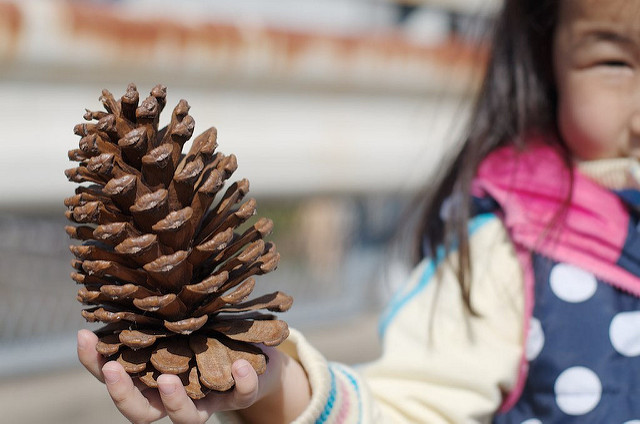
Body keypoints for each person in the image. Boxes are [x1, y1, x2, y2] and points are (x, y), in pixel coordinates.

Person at [77, 0, 640, 422]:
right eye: (614, 60)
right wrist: (275, 389)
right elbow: (402, 407)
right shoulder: (510, 253)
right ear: (547, 64)